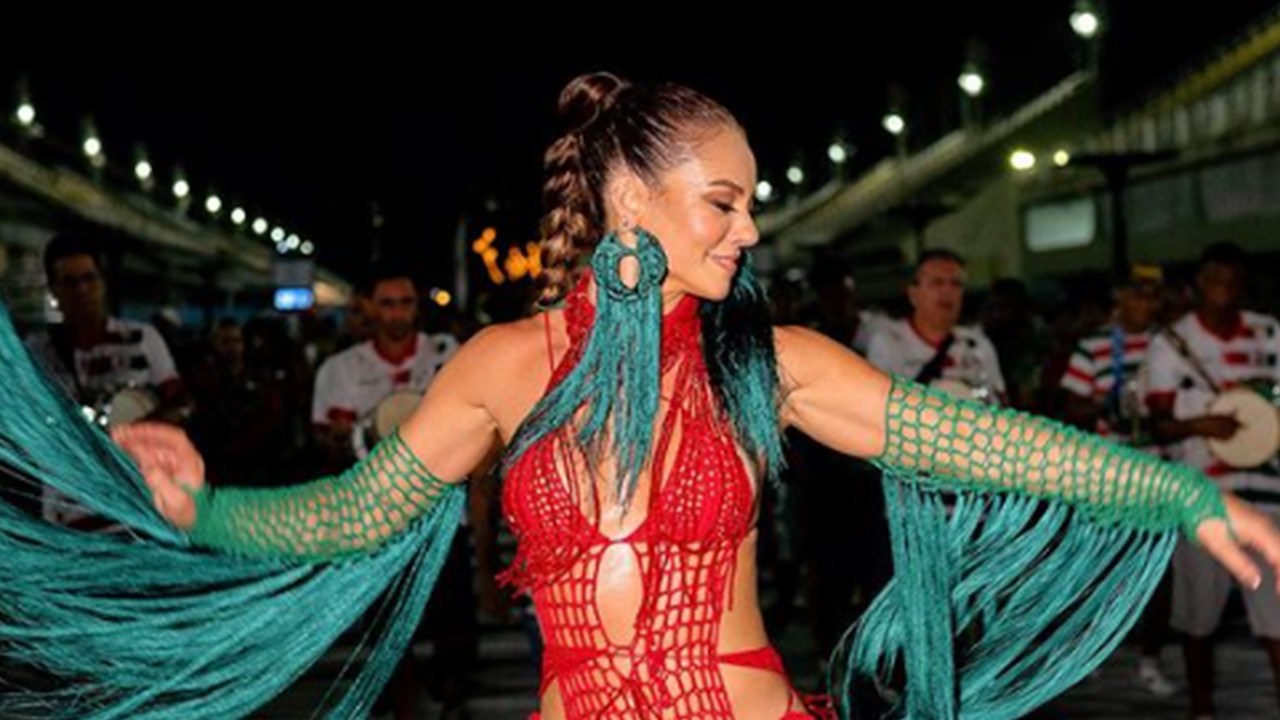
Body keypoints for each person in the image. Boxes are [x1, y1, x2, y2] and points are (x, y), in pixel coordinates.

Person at [63, 74, 1280, 720]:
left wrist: (1170, 493)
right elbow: (346, 518)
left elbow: (972, 441)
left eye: (750, 202)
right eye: (726, 201)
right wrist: (201, 509)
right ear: (631, 201)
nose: (752, 227)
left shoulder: (770, 360)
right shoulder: (504, 364)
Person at [1145, 242, 1280, 719]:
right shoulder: (1170, 343)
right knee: (1199, 615)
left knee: (1276, 613)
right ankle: (1202, 709)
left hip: (1267, 493)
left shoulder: (1268, 333)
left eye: (1233, 278)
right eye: (1215, 278)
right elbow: (1155, 424)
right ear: (1200, 283)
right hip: (1202, 495)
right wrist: (1202, 426)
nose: (1225, 287)